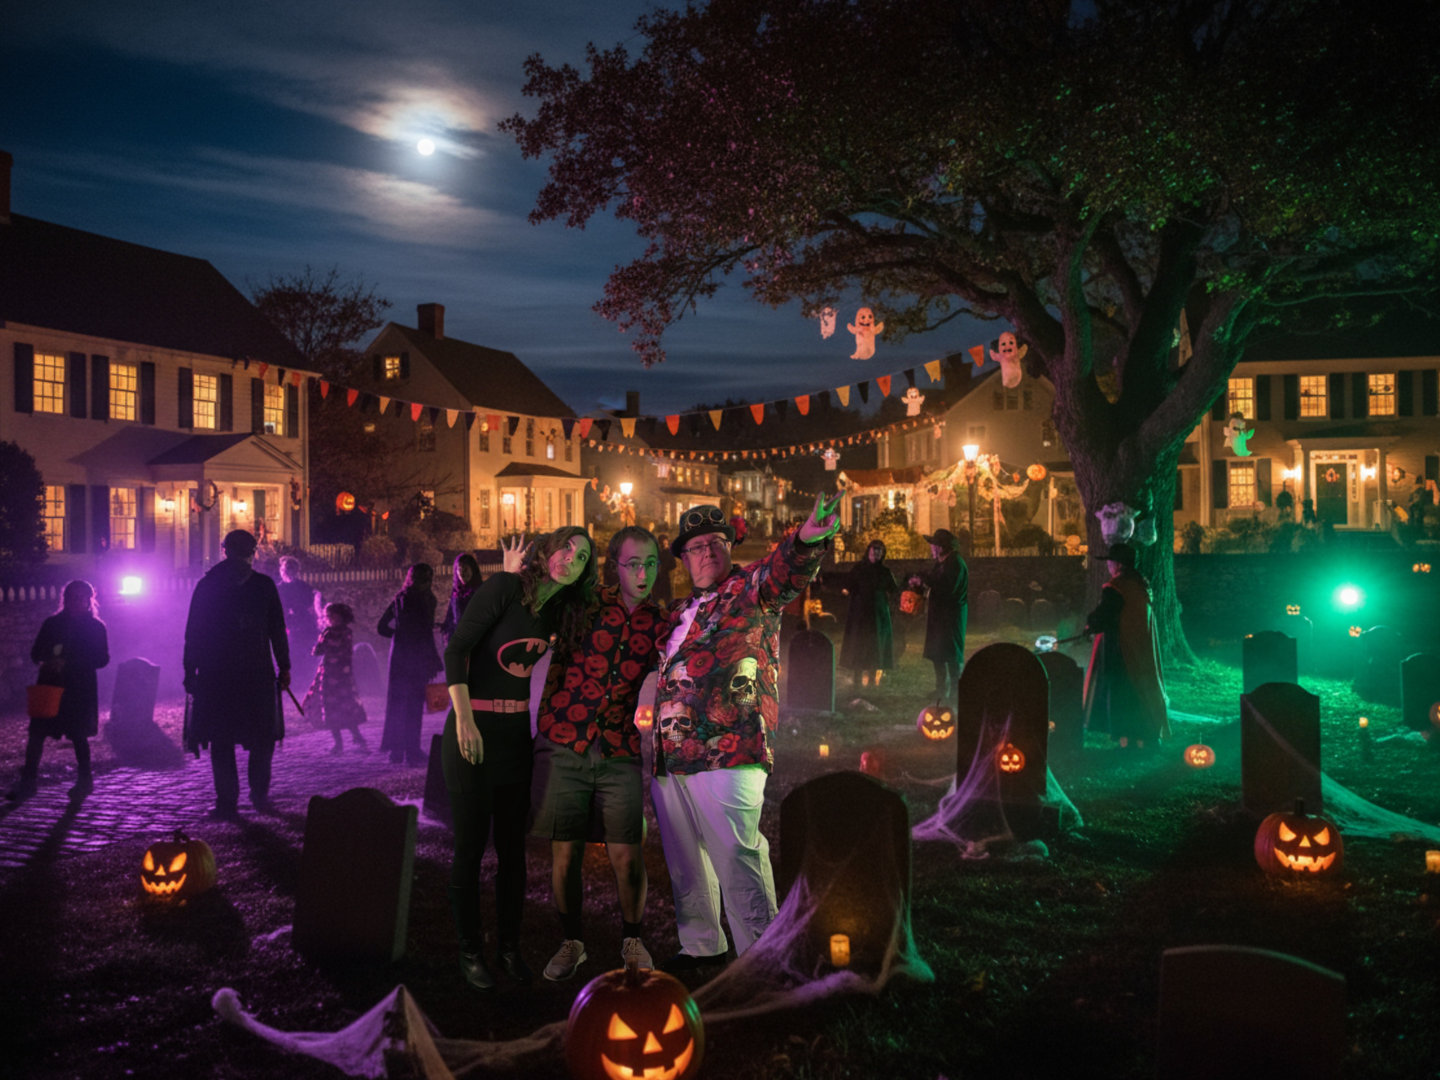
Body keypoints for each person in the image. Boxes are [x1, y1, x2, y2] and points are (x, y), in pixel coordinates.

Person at [653, 495, 840, 971]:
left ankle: (762, 957)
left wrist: (807, 538)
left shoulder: (749, 590)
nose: (708, 552)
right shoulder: (677, 613)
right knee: (686, 861)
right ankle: (701, 946)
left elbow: (784, 571)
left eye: (717, 542)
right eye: (696, 546)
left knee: (737, 854)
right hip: (671, 754)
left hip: (729, 747)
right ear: (684, 558)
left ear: (730, 548)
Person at [442, 526, 597, 991]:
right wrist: (465, 720)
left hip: (515, 737)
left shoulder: (559, 609)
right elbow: (456, 649)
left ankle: (508, 949)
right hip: (473, 730)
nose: (571, 557)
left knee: (513, 855)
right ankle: (470, 952)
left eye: (583, 555)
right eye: (566, 546)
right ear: (549, 549)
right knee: (469, 849)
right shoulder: (504, 587)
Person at [532, 525, 673, 982]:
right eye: (633, 563)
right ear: (614, 565)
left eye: (651, 563)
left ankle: (632, 937)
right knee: (565, 852)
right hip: (565, 740)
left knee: (627, 852)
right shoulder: (584, 602)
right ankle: (571, 942)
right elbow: (534, 606)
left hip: (618, 748)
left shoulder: (661, 622)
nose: (643, 572)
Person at [182, 529, 290, 820]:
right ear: (252, 551)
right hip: (255, 672)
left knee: (222, 738)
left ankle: (227, 801)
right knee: (261, 738)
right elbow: (277, 629)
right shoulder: (264, 586)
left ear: (224, 550)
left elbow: (194, 632)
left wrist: (189, 669)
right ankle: (258, 796)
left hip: (217, 673)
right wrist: (285, 666)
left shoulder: (208, 586)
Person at [7, 580, 110, 802]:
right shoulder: (53, 624)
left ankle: (84, 779)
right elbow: (36, 652)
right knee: (37, 735)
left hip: (79, 689)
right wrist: (50, 660)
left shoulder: (96, 627)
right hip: (51, 685)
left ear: (89, 600)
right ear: (66, 599)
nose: (78, 602)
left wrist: (71, 662)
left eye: (83, 598)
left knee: (78, 736)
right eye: (74, 597)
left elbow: (102, 659)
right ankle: (28, 780)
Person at [1082, 542, 1169, 751]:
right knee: (1139, 691)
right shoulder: (1140, 584)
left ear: (1117, 564)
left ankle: (1126, 739)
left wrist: (1090, 625)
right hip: (1140, 648)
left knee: (1122, 693)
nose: (1108, 566)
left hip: (1122, 649)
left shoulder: (1117, 587)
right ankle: (1143, 738)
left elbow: (1106, 614)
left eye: (1110, 562)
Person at [377, 563, 443, 765]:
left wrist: (398, 636)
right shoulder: (425, 599)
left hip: (399, 656)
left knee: (398, 703)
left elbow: (381, 627)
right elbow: (422, 631)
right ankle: (412, 751)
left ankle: (397, 751)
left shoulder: (401, 597)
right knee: (414, 704)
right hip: (417, 657)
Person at [909, 528, 969, 703]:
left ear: (942, 547)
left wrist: (925, 579)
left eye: (934, 546)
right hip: (939, 616)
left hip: (951, 617)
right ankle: (941, 689)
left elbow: (946, 587)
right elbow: (934, 582)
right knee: (938, 653)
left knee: (950, 655)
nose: (931, 549)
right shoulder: (942, 563)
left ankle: (956, 692)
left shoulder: (955, 564)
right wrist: (919, 583)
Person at [303, 602, 367, 755]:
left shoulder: (338, 633)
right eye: (328, 616)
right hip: (331, 673)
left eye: (333, 615)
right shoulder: (333, 632)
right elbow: (319, 650)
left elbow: (330, 650)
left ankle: (354, 738)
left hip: (338, 674)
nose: (330, 618)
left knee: (343, 705)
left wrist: (325, 646)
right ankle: (340, 743)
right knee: (333, 707)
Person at [839, 539, 899, 688]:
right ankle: (857, 678)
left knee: (875, 644)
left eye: (879, 552)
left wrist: (889, 605)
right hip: (860, 613)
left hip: (878, 614)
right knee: (859, 643)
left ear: (882, 554)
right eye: (874, 551)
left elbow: (894, 590)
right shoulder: (858, 569)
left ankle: (872, 678)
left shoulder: (885, 572)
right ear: (869, 552)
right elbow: (848, 584)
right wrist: (847, 590)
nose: (876, 554)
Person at [277, 556, 321, 688]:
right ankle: (293, 680)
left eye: (289, 569)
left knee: (303, 654)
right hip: (288, 625)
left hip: (303, 626)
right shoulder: (279, 588)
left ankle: (303, 681)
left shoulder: (303, 587)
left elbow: (310, 603)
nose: (285, 571)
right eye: (284, 568)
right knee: (290, 653)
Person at [440, 553, 482, 643]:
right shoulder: (456, 592)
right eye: (459, 569)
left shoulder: (482, 591)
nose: (462, 573)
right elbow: (451, 613)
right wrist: (446, 627)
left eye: (466, 569)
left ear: (473, 570)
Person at [653, 534, 677, 605]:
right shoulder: (657, 552)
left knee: (668, 600)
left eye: (666, 543)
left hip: (665, 580)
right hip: (657, 580)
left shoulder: (668, 553)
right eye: (664, 543)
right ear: (660, 543)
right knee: (655, 601)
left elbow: (673, 564)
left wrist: (664, 567)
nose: (666, 544)